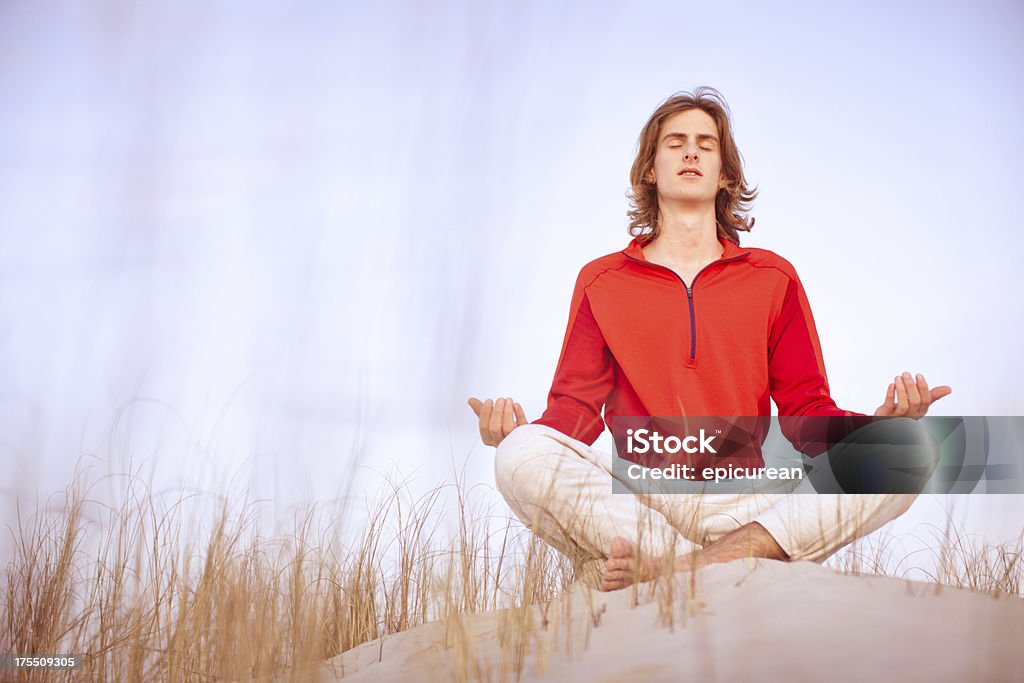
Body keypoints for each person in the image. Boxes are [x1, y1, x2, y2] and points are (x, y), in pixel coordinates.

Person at [468, 87, 952, 592]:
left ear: (724, 174)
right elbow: (577, 411)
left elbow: (806, 413)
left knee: (908, 447)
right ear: (650, 170)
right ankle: (735, 565)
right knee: (520, 455)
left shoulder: (773, 277)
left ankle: (678, 572)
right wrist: (523, 433)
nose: (692, 151)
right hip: (643, 500)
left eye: (706, 143)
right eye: (675, 142)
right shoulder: (601, 280)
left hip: (749, 499)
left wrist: (873, 428)